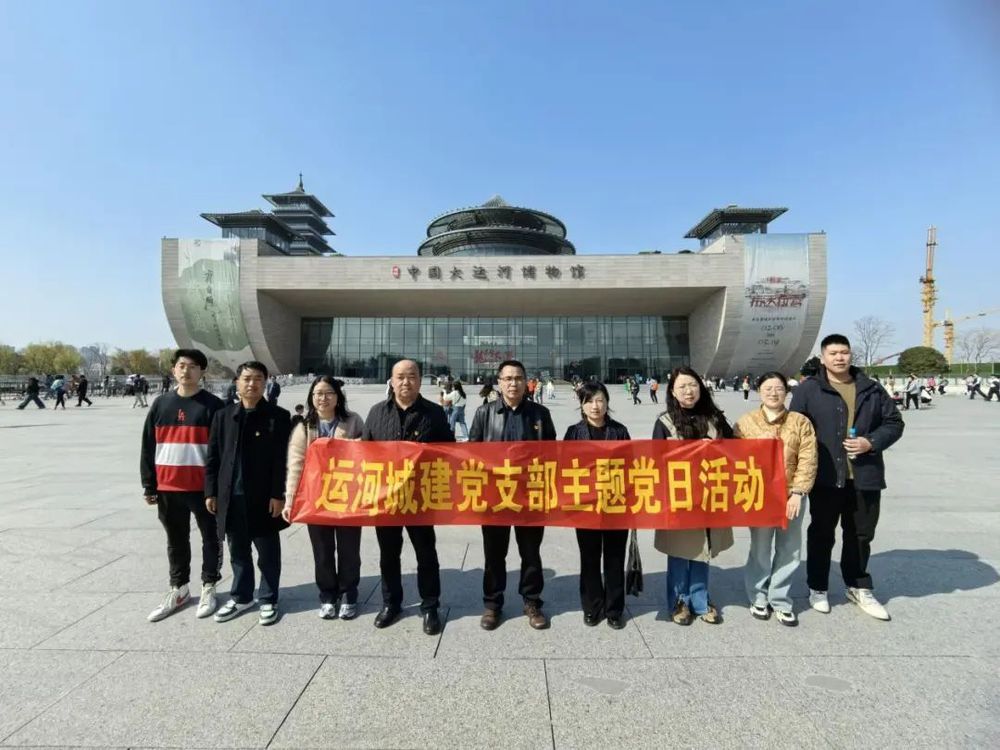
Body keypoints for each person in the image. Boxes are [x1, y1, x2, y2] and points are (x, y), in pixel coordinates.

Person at [790, 334, 904, 621]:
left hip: (865, 476)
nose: (839, 357)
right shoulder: (809, 390)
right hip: (826, 477)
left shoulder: (871, 388)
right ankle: (818, 586)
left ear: (851, 355)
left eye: (844, 352)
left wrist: (871, 442)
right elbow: (795, 429)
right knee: (821, 533)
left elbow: (894, 422)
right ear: (823, 357)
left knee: (861, 534)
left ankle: (858, 586)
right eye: (833, 353)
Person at [363, 359, 453, 635]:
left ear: (420, 380)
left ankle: (430, 606)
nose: (406, 381)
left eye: (412, 376)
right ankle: (391, 603)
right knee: (388, 555)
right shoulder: (376, 412)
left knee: (426, 554)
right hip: (386, 500)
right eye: (400, 376)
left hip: (420, 498)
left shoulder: (434, 413)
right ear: (391, 381)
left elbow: (450, 452)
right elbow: (364, 454)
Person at [470, 359, 557, 631]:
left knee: (530, 553)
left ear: (526, 382)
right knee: (494, 554)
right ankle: (492, 604)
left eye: (518, 378)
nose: (513, 383)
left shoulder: (540, 414)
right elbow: (471, 454)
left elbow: (553, 454)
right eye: (507, 378)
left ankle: (532, 602)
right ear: (499, 382)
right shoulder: (484, 413)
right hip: (495, 498)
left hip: (530, 496)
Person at [141, 349, 225, 622]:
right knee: (175, 540)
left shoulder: (214, 406)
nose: (186, 371)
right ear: (173, 370)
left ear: (202, 372)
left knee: (211, 538)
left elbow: (221, 451)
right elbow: (148, 445)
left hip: (203, 488)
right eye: (181, 366)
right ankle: (179, 588)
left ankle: (209, 584)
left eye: (192, 366)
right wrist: (149, 484)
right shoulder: (160, 404)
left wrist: (215, 489)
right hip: (168, 486)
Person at [205, 361, 291, 626]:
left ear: (265, 383)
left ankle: (268, 598)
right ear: (237, 383)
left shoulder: (278, 416)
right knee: (238, 551)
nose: (252, 384)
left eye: (257, 379)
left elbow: (281, 460)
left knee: (267, 553)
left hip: (263, 497)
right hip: (230, 496)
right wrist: (211, 491)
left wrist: (278, 494)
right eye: (246, 378)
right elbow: (213, 457)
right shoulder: (223, 416)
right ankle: (242, 597)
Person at [735, 372, 818, 626]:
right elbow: (733, 457)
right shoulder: (745, 423)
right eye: (768, 388)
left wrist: (799, 492)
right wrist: (755, 445)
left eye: (779, 388)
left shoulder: (800, 422)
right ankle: (758, 596)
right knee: (760, 548)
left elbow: (808, 458)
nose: (773, 393)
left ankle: (780, 598)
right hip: (760, 494)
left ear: (787, 391)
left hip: (791, 495)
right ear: (759, 391)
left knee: (789, 549)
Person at [653, 366, 734, 625]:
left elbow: (737, 450)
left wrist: (717, 448)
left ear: (701, 387)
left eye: (693, 385)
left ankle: (700, 601)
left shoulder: (714, 418)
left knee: (703, 550)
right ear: (672, 392)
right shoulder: (665, 422)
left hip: (709, 496)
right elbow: (655, 460)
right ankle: (678, 601)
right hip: (679, 498)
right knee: (679, 551)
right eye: (682, 387)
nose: (688, 391)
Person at [284, 376, 365, 619]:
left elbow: (367, 452)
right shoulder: (304, 427)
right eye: (318, 393)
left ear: (338, 396)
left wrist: (348, 445)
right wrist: (290, 500)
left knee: (349, 550)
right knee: (322, 550)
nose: (323, 398)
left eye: (329, 392)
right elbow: (296, 465)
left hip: (348, 498)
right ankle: (328, 595)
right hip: (316, 499)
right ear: (311, 398)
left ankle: (349, 593)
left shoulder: (353, 421)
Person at [564, 381, 631, 629]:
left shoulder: (620, 431)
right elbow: (564, 467)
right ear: (582, 405)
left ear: (607, 403)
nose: (595, 406)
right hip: (585, 506)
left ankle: (614, 609)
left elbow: (631, 467)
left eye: (600, 400)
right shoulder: (573, 433)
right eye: (589, 401)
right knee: (589, 558)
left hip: (615, 505)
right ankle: (592, 607)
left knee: (614, 558)